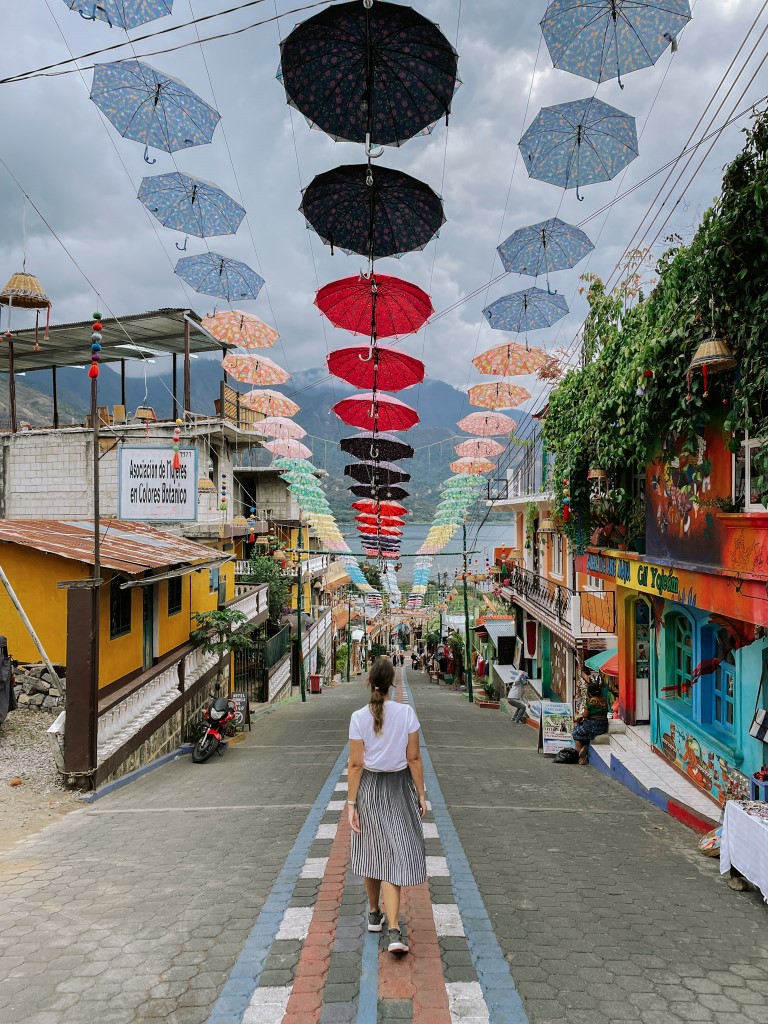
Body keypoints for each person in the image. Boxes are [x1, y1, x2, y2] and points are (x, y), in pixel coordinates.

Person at [347, 658, 427, 955]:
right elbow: (414, 759)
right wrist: (421, 793)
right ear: (393, 682)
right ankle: (394, 930)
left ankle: (373, 913)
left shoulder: (358, 717)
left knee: (371, 850)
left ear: (369, 682)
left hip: (368, 788)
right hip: (398, 788)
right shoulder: (406, 713)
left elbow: (355, 764)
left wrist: (351, 803)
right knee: (395, 852)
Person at [572, 677, 609, 764]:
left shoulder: (591, 702)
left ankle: (582, 756)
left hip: (592, 726)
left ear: (590, 692)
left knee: (576, 733)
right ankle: (585, 747)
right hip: (602, 726)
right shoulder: (604, 700)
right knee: (585, 732)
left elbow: (585, 715)